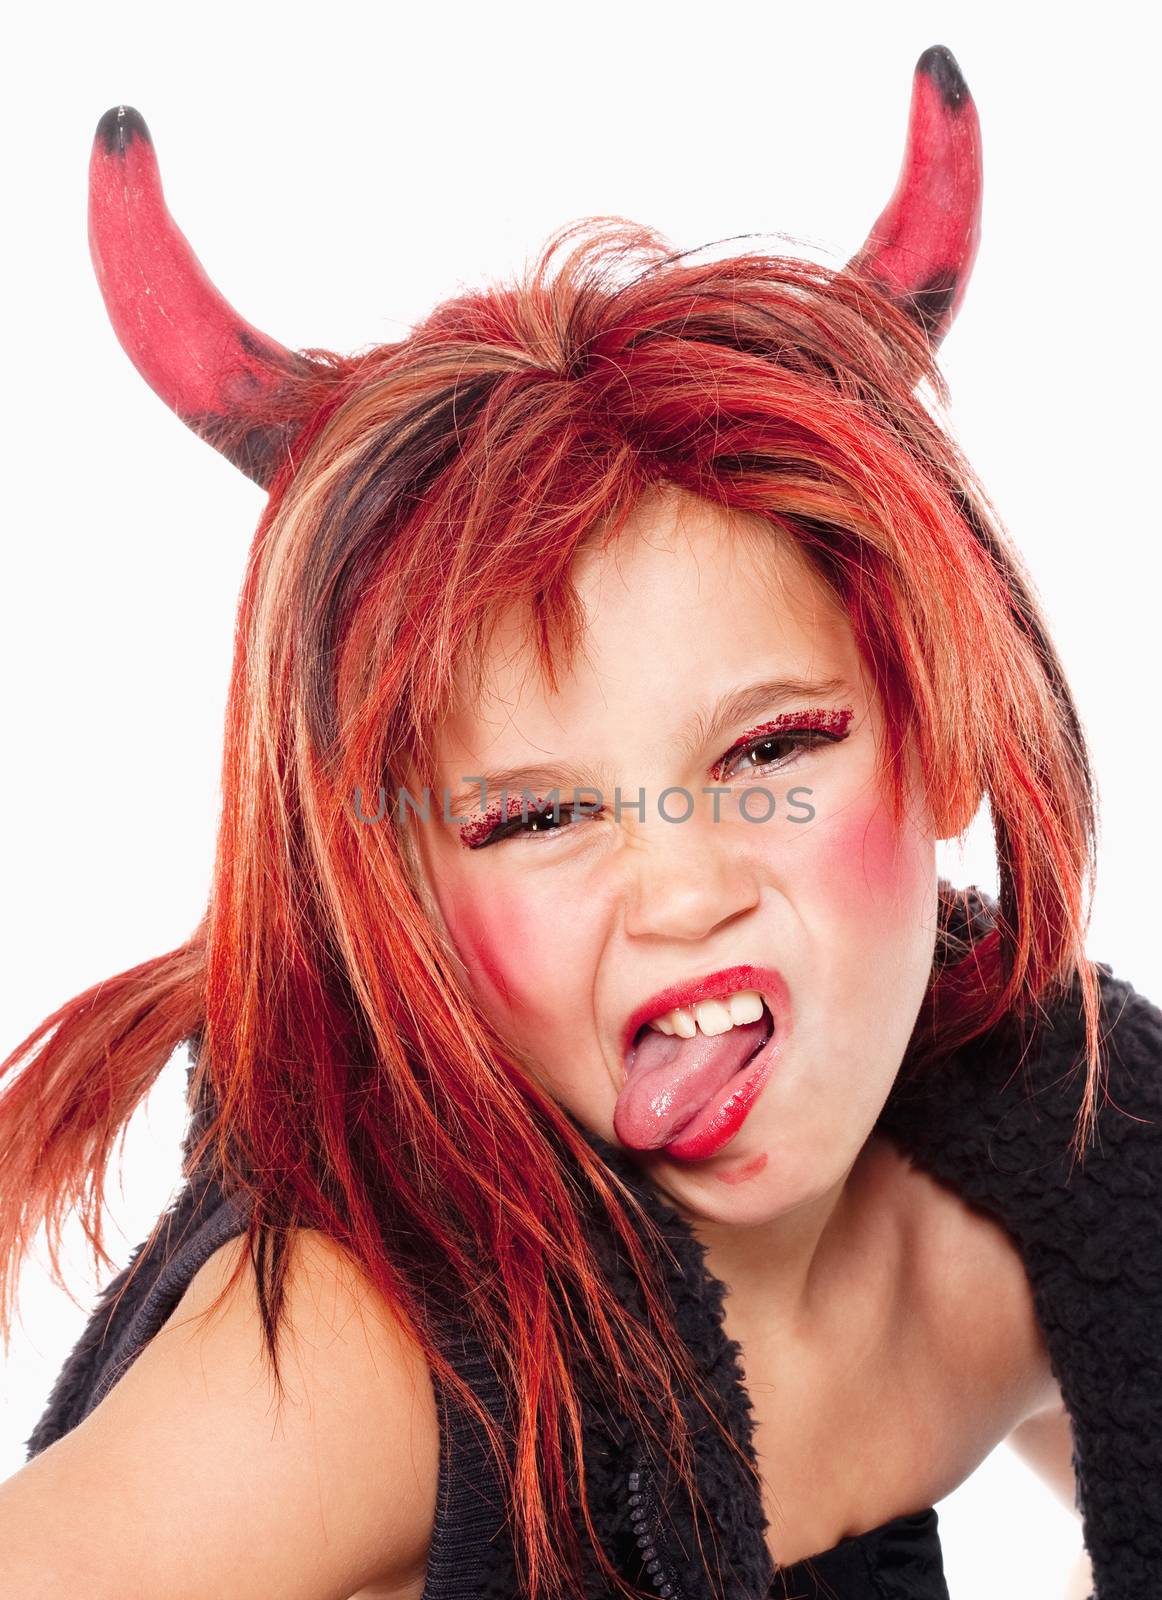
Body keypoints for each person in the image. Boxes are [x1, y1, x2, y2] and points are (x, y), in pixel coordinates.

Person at [0, 42, 1157, 1600]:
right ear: (396, 902)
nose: (680, 887)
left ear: (944, 736)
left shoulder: (1060, 1186)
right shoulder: (352, 1377)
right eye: (533, 814)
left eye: (772, 749)